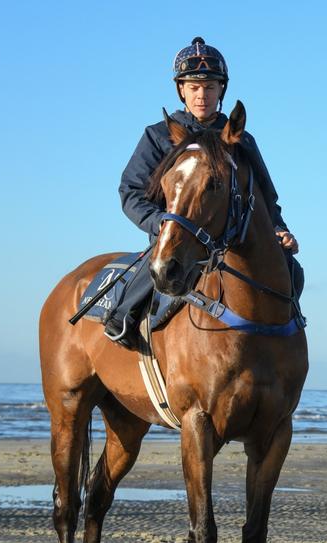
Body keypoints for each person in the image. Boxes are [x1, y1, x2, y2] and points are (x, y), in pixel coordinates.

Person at [103, 37, 299, 346]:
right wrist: (162, 225)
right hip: (177, 236)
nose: (201, 95)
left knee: (292, 271)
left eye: (209, 87)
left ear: (221, 89)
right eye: (194, 88)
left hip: (230, 237)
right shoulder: (158, 136)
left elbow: (264, 196)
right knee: (155, 270)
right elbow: (130, 191)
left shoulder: (241, 140)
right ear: (181, 89)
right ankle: (121, 318)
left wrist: (279, 228)